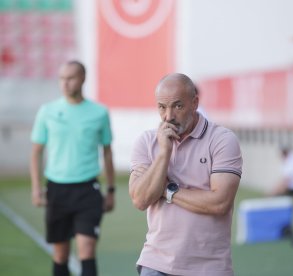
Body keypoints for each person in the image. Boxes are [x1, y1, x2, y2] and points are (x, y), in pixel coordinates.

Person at [129, 73, 243, 276]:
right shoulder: (146, 142)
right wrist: (164, 152)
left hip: (210, 267)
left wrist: (166, 189)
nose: (168, 116)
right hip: (156, 264)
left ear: (195, 103)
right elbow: (140, 199)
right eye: (162, 107)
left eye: (177, 106)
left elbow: (219, 203)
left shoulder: (222, 140)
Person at [30, 60, 115, 276]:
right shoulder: (47, 111)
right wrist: (36, 188)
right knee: (60, 254)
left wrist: (111, 190)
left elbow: (106, 152)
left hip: (87, 190)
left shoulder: (99, 112)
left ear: (83, 78)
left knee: (87, 250)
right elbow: (36, 152)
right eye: (62, 78)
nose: (65, 83)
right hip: (57, 190)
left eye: (70, 78)